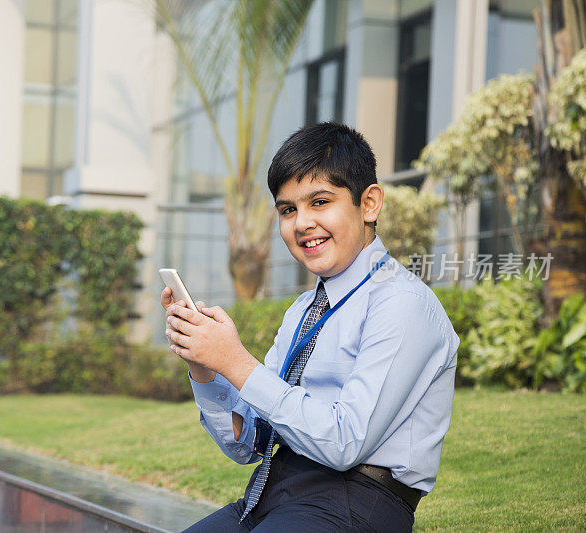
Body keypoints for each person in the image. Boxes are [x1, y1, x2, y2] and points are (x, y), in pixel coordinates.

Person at [161, 122, 459, 532]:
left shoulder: (401, 303)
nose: (302, 223)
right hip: (273, 493)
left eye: (320, 202)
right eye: (288, 210)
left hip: (356, 504)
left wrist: (236, 361)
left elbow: (345, 443)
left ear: (369, 203)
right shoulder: (304, 309)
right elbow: (250, 442)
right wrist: (205, 365)